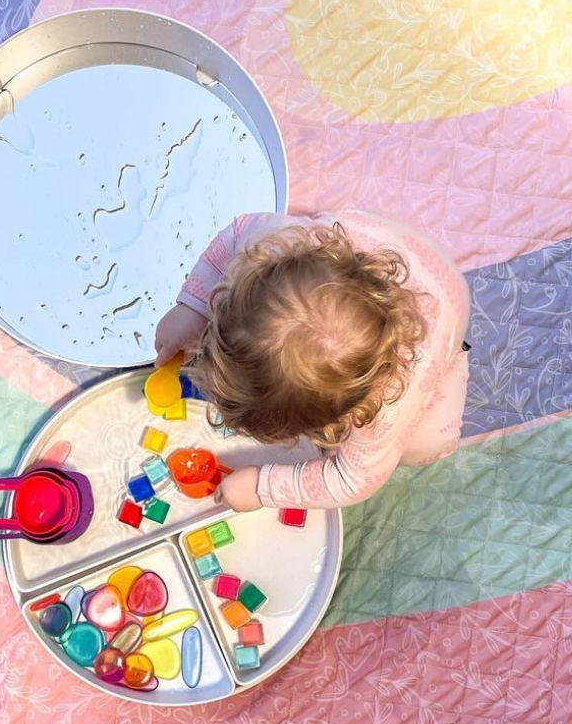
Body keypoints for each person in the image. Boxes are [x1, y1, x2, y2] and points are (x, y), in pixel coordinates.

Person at [153, 211, 471, 511]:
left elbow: (354, 480)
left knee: (428, 442)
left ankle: (457, 361)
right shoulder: (271, 243)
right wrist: (191, 308)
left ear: (336, 418)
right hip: (395, 249)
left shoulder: (385, 409)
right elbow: (236, 232)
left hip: (443, 317)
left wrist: (262, 488)